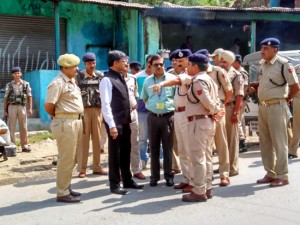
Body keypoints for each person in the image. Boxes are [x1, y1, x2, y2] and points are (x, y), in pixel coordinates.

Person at [172, 53, 224, 202]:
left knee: (198, 157)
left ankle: (199, 191)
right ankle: (207, 188)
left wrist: (215, 111)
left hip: (198, 122)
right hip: (205, 122)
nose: (187, 67)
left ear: (195, 66)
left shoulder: (198, 81)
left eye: (189, 64)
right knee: (206, 156)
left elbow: (208, 102)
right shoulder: (209, 79)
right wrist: (216, 111)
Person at [255, 38, 299, 187]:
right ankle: (270, 173)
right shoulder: (262, 65)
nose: (262, 51)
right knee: (265, 142)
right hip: (263, 107)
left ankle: (283, 175)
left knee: (279, 142)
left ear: (275, 50)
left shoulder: (283, 64)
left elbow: (295, 86)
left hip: (277, 106)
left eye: (266, 49)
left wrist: (286, 100)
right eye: (262, 48)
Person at [100, 50, 144, 195]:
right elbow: (106, 105)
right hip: (115, 123)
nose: (126, 63)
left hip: (126, 120)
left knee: (126, 151)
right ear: (115, 62)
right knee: (115, 154)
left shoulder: (122, 77)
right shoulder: (107, 79)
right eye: (124, 61)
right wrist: (112, 125)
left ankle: (127, 180)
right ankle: (114, 184)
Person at [44, 53, 83, 203]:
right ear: (65, 68)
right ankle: (62, 193)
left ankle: (66, 187)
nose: (77, 69)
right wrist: (59, 116)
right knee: (66, 158)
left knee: (72, 157)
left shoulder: (71, 81)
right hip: (65, 123)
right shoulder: (58, 83)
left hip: (75, 122)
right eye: (74, 66)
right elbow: (48, 105)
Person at [198, 49, 233, 187]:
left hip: (217, 111)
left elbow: (229, 90)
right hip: (203, 112)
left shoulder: (218, 72)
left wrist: (221, 106)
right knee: (206, 145)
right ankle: (208, 174)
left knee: (221, 143)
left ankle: (224, 174)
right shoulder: (196, 74)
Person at [141, 54, 176, 187]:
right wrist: (153, 108)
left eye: (161, 64)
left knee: (167, 147)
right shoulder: (148, 81)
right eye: (156, 65)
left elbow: (176, 97)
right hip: (153, 117)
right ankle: (154, 176)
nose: (159, 67)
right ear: (151, 66)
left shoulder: (172, 79)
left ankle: (168, 176)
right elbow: (144, 98)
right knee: (154, 148)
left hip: (168, 116)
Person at [76, 53, 107, 178]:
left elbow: (105, 93)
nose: (92, 65)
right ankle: (82, 169)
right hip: (84, 110)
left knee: (97, 139)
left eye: (93, 63)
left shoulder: (100, 76)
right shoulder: (78, 76)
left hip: (97, 110)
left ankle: (97, 167)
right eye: (89, 63)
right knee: (84, 140)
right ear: (84, 64)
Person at [219, 50, 244, 177]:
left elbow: (239, 96)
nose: (222, 63)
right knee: (221, 140)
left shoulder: (236, 75)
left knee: (232, 140)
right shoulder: (218, 72)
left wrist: (236, 113)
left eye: (225, 61)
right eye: (221, 61)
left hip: (230, 108)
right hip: (219, 108)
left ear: (230, 62)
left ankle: (233, 168)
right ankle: (224, 165)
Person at [123, 63, 145, 180]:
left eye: (127, 64)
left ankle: (136, 169)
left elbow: (135, 95)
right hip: (119, 114)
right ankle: (122, 171)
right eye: (123, 63)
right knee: (121, 144)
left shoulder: (133, 79)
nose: (126, 66)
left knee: (134, 142)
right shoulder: (112, 79)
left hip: (132, 113)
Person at [3, 67, 32, 152]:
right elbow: (5, 98)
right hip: (11, 107)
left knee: (23, 126)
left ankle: (25, 145)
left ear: (21, 74)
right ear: (12, 74)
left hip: (22, 106)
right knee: (11, 126)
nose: (17, 74)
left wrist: (30, 108)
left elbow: (30, 96)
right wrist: (5, 110)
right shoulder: (9, 85)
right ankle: (12, 145)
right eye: (15, 73)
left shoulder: (26, 84)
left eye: (18, 73)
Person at [136, 55, 154, 169]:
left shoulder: (160, 77)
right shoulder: (138, 76)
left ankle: (160, 158)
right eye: (148, 62)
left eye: (153, 63)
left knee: (158, 137)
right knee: (143, 137)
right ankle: (143, 158)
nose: (150, 64)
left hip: (157, 111)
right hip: (142, 111)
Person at [232, 54, 249, 153]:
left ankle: (242, 142)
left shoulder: (241, 73)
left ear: (237, 62)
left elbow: (244, 88)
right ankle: (242, 141)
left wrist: (241, 101)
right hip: (239, 99)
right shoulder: (237, 72)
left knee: (237, 120)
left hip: (240, 99)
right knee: (240, 121)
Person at [289, 65, 300, 158]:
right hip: (298, 99)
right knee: (296, 125)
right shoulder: (296, 68)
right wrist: (290, 97)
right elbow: (290, 83)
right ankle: (293, 151)